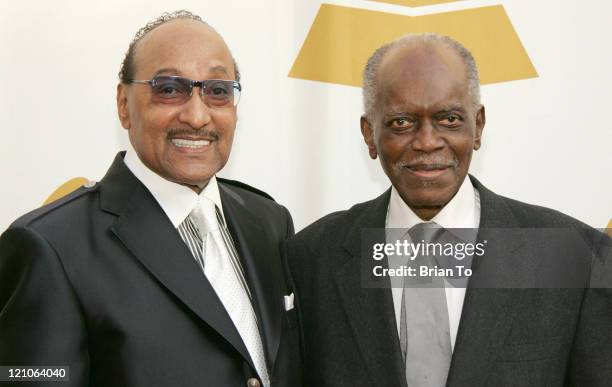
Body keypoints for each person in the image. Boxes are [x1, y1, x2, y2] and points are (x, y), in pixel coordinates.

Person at [286, 33, 611, 386]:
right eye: (401, 122)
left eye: (450, 119)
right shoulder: (313, 257)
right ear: (369, 134)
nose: (427, 141)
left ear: (478, 126)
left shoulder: (576, 258)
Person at [0, 10, 300, 387]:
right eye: (169, 89)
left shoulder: (269, 222)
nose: (196, 116)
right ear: (124, 105)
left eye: (217, 91)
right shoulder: (49, 248)